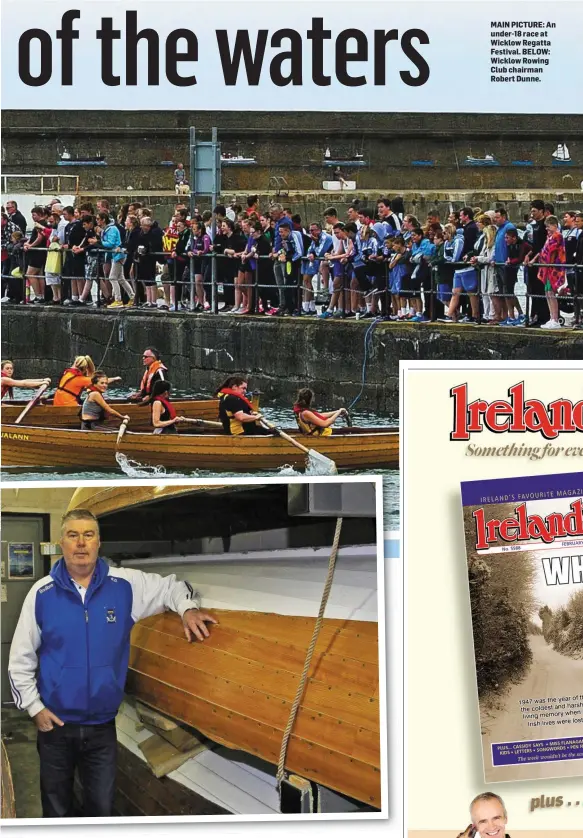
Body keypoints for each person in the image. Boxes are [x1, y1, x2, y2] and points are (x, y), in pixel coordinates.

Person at [8, 507, 216, 818]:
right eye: (73, 535)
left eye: (88, 535)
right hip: (56, 729)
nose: (81, 543)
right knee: (55, 810)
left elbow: (172, 586)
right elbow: (19, 659)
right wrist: (35, 708)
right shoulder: (42, 593)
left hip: (102, 729)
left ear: (99, 543)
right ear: (61, 543)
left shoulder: (125, 585)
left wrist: (187, 609)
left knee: (102, 810)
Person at [53, 356, 121, 407]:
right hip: (68, 407)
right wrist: (115, 378)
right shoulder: (81, 379)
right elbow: (101, 382)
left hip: (57, 404)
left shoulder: (67, 373)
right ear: (85, 369)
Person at [538, 215, 567, 330]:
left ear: (555, 225)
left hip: (553, 269)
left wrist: (546, 262)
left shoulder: (557, 236)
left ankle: (555, 319)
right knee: (547, 293)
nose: (547, 229)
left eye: (548, 226)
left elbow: (552, 251)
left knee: (551, 293)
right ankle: (552, 317)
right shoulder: (549, 237)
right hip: (547, 269)